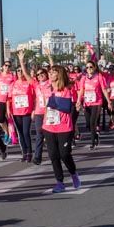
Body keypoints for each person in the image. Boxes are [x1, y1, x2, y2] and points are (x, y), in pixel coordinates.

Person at [42, 64, 80, 193]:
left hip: (64, 127)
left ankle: (73, 173)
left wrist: (53, 102)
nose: (50, 74)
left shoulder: (66, 90)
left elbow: (66, 107)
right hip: (49, 126)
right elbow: (48, 105)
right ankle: (60, 182)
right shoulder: (47, 88)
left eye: (53, 73)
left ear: (59, 75)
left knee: (64, 154)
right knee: (53, 155)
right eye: (50, 72)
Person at [75, 60, 109, 149]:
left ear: (94, 67)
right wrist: (78, 101)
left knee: (92, 122)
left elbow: (104, 89)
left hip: (97, 102)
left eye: (90, 67)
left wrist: (109, 101)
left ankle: (93, 142)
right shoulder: (84, 78)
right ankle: (95, 135)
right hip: (87, 102)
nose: (89, 69)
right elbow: (81, 90)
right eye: (87, 67)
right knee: (88, 124)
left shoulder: (99, 77)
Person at [8, 63, 37, 160]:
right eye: (18, 71)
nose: (19, 72)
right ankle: (24, 153)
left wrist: (33, 109)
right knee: (20, 133)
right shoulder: (13, 84)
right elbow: (9, 98)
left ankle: (29, 152)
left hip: (27, 111)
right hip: (16, 112)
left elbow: (34, 98)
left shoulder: (29, 83)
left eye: (21, 70)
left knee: (25, 132)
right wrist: (8, 109)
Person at [28, 63, 52, 165]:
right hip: (39, 112)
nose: (40, 75)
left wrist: (50, 57)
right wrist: (21, 62)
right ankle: (37, 157)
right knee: (39, 134)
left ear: (46, 74)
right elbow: (26, 75)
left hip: (50, 111)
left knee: (50, 135)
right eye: (38, 74)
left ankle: (53, 155)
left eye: (42, 73)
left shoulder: (50, 82)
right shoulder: (36, 84)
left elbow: (54, 69)